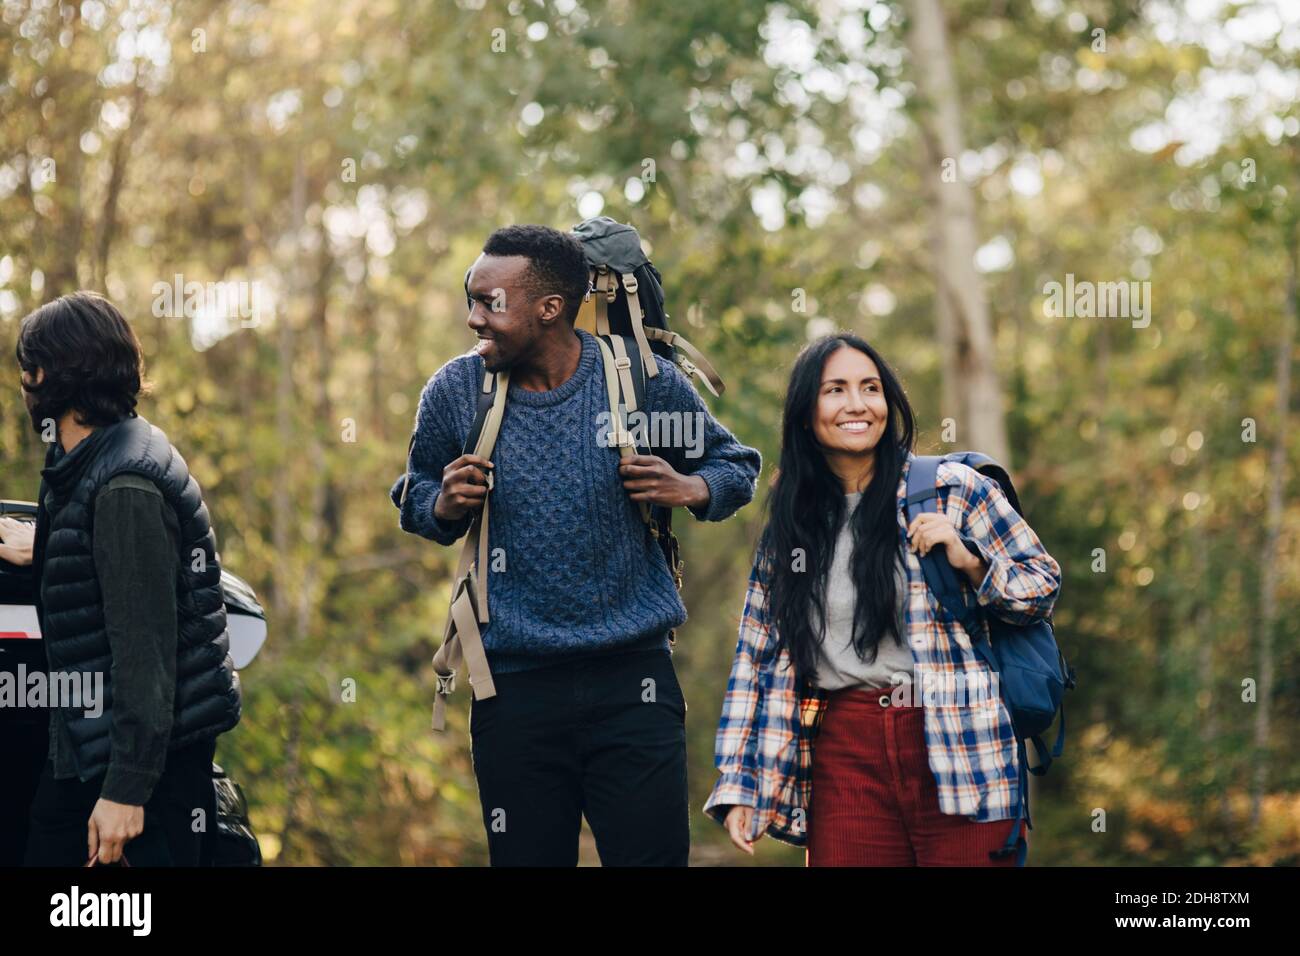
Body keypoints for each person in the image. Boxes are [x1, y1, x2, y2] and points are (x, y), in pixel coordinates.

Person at [391, 224, 760, 866]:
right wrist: (439, 504)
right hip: (511, 691)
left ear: (550, 308)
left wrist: (689, 486)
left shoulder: (644, 384)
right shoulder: (456, 392)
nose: (473, 318)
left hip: (633, 686)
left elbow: (736, 466)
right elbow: (415, 492)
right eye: (470, 299)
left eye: (489, 303)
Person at [704, 332, 1061, 866]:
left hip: (960, 735)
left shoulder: (953, 488)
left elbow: (1041, 587)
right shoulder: (793, 522)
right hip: (847, 749)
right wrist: (741, 781)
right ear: (806, 413)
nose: (857, 404)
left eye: (870, 388)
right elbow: (758, 657)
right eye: (836, 390)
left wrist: (969, 559)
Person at [17, 291, 241, 867]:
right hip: (91, 751)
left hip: (137, 775)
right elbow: (99, 572)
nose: (23, 381)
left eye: (28, 367)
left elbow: (146, 651)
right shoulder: (94, 458)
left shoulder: (124, 488)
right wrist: (41, 547)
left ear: (52, 376)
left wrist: (126, 790)